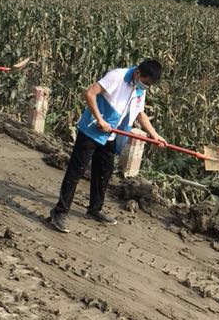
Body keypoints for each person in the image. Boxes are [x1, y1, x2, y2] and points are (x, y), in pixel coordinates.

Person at [49, 59, 166, 233]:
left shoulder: (139, 89)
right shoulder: (117, 76)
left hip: (111, 135)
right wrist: (100, 119)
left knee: (104, 171)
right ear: (138, 73)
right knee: (76, 171)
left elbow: (140, 113)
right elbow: (90, 93)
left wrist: (155, 135)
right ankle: (59, 212)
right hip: (92, 130)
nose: (146, 87)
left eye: (149, 85)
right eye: (145, 82)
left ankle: (95, 209)